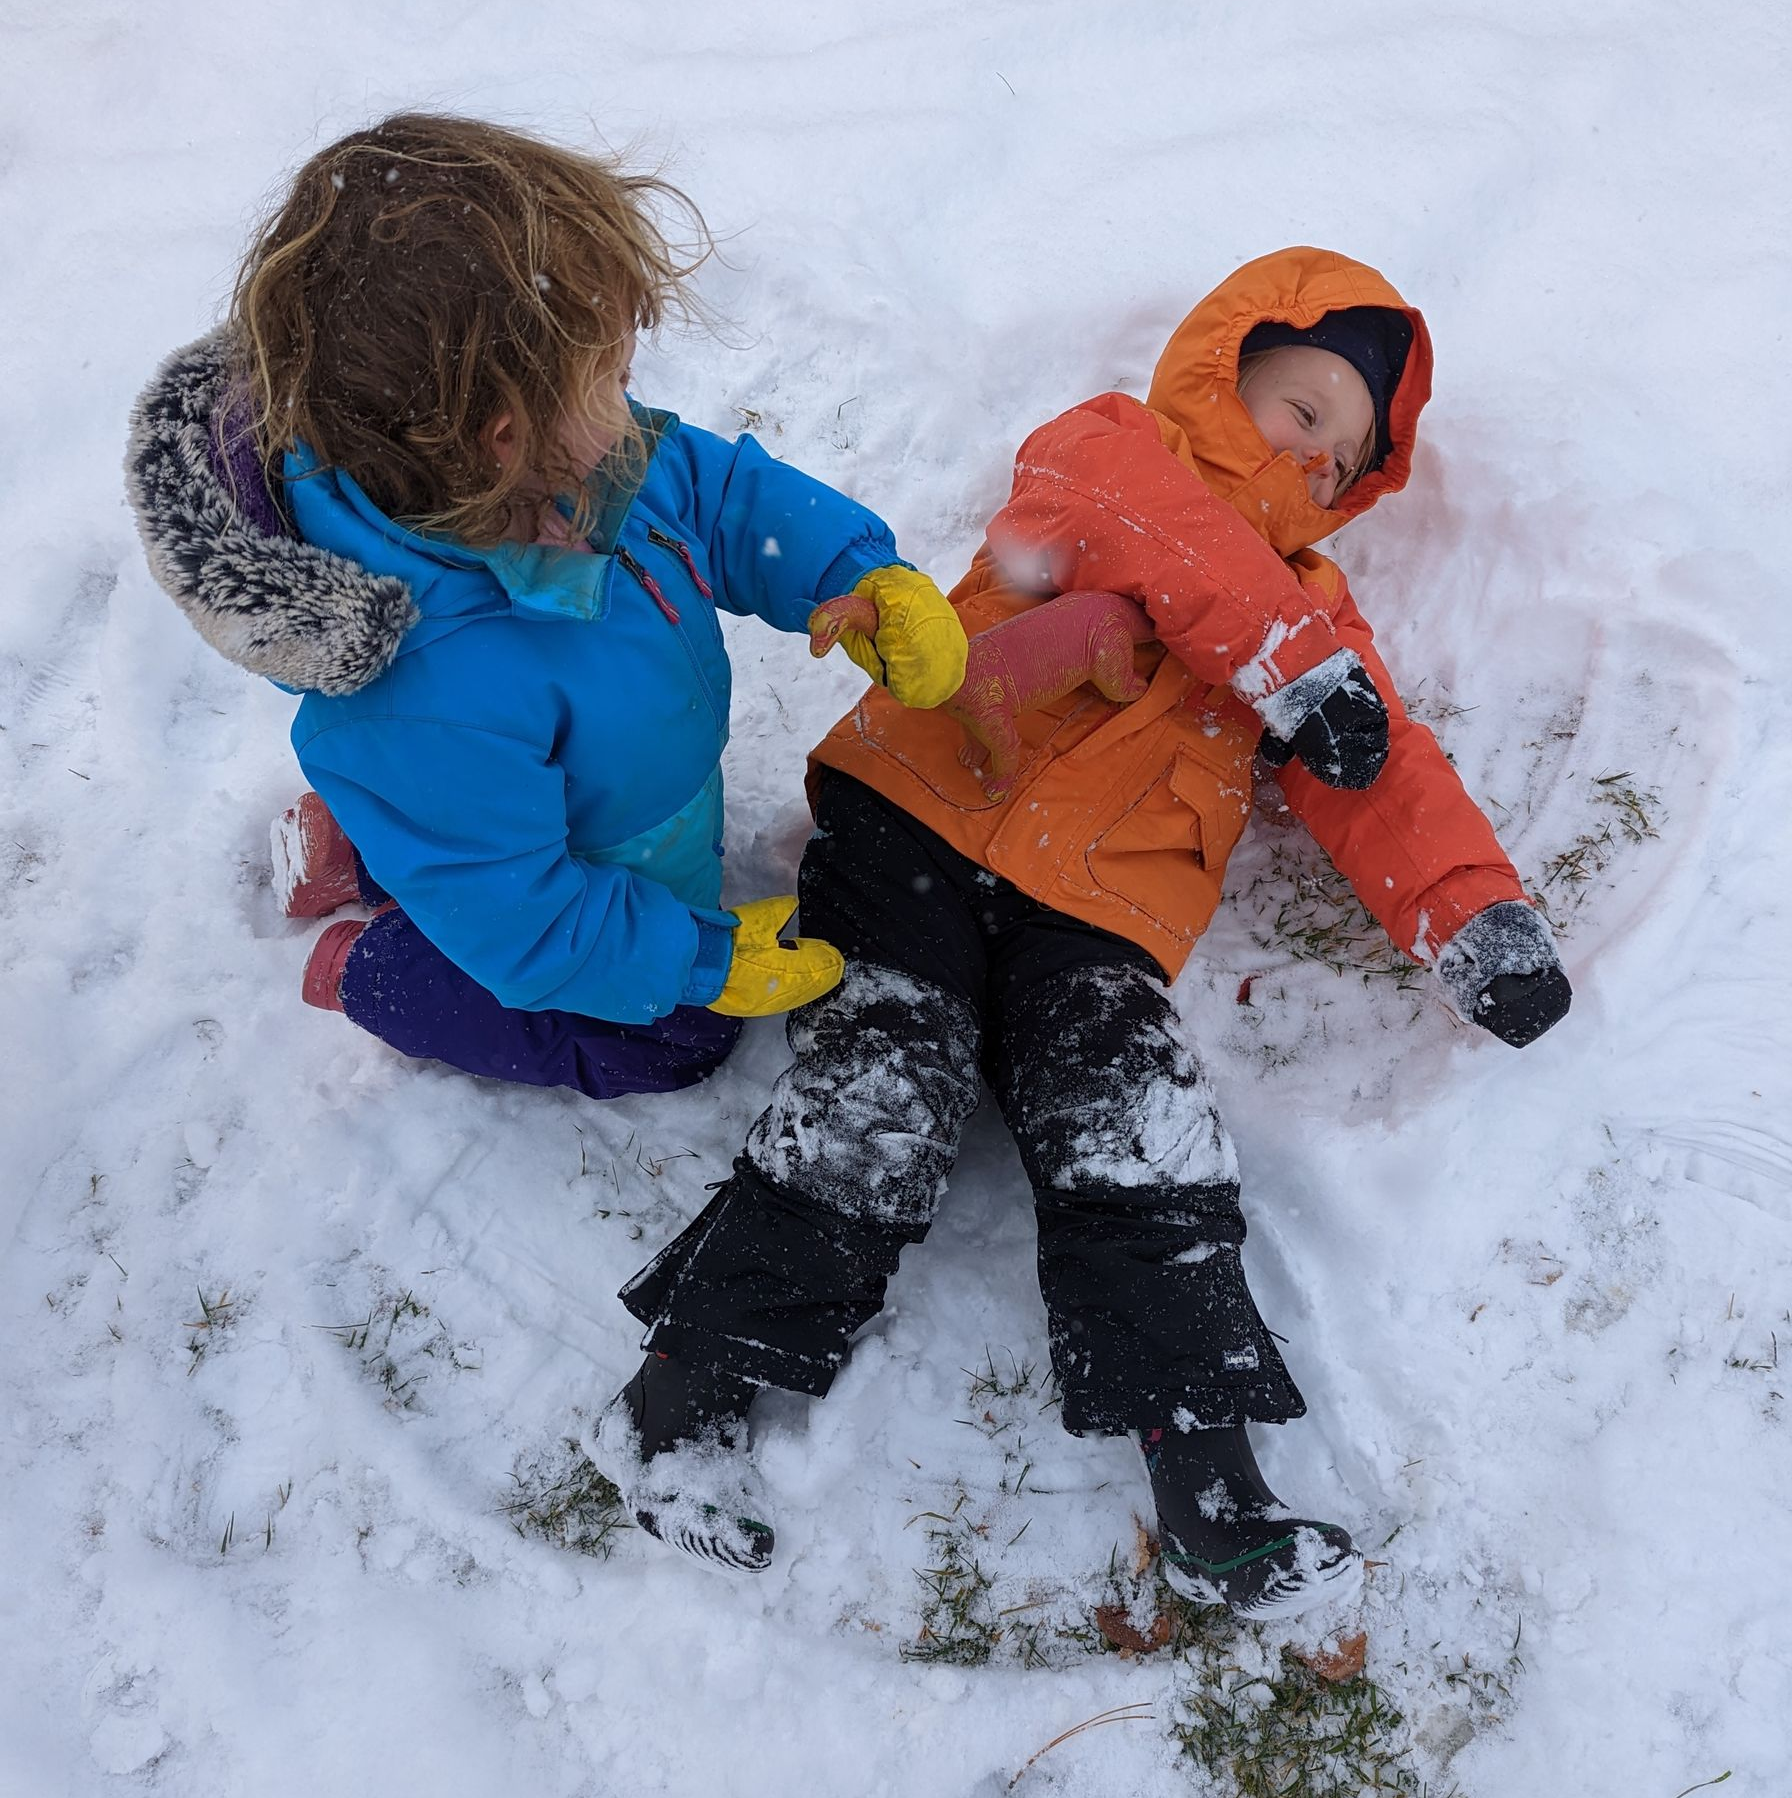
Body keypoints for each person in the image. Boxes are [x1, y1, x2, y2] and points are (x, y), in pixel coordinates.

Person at [599, 247, 1572, 1615]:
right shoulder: (1106, 450)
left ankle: (1212, 1488)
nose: (1312, 465)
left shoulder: (1316, 618)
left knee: (1142, 1124)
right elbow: (1152, 535)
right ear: (1218, 374)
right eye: (1301, 411)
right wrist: (1288, 663)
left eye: (1344, 463)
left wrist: (1475, 918)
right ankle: (678, 1403)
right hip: (919, 821)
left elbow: (1385, 772)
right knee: (886, 1083)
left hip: (1099, 914)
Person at [125, 113, 965, 1100]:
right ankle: (378, 973)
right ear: (500, 436)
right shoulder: (423, 699)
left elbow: (723, 500)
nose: (631, 391)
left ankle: (359, 843)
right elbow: (529, 923)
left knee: (460, 828)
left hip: (511, 806)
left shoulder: (590, 464)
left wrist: (854, 575)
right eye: (607, 374)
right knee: (667, 1038)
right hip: (534, 869)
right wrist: (694, 964)